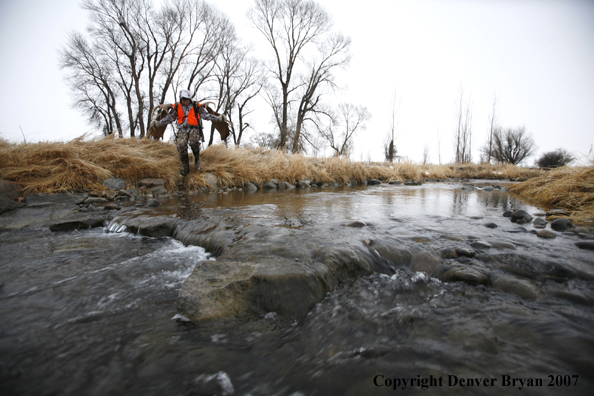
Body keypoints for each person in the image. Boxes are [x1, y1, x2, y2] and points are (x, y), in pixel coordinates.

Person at [150, 90, 227, 176]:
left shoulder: (196, 106)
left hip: (194, 128)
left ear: (189, 99)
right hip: (182, 129)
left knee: (194, 141)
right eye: (183, 100)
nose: (185, 101)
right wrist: (159, 123)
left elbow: (206, 115)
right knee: (180, 145)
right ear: (181, 99)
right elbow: (170, 118)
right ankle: (186, 168)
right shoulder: (177, 107)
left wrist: (217, 118)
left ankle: (197, 160)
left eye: (186, 99)